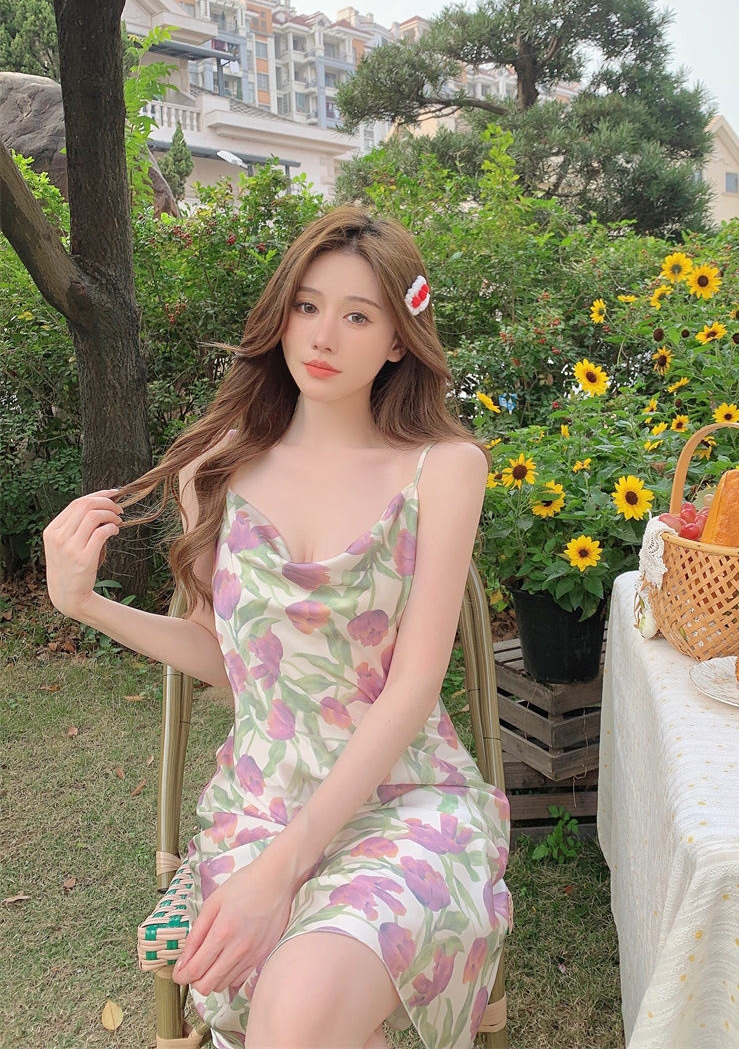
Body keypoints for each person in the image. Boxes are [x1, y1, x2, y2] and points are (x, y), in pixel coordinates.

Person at [42, 206, 512, 1049]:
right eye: (307, 305)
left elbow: (412, 688)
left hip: (404, 805)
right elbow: (224, 660)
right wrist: (87, 605)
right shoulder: (213, 469)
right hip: (259, 806)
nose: (322, 335)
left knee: (297, 1015)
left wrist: (281, 873)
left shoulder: (443, 470)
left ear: (398, 340)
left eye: (358, 316)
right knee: (304, 1018)